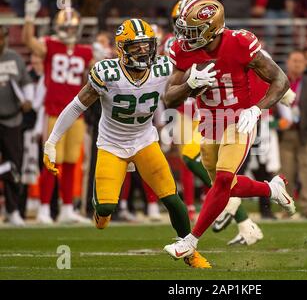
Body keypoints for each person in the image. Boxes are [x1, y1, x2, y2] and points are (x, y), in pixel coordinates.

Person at [42, 18, 210, 269]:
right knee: (106, 212)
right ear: (122, 49)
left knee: (172, 198)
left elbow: (178, 94)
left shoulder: (163, 67)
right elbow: (77, 105)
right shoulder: (107, 73)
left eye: (147, 45)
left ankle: (189, 252)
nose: (144, 51)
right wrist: (52, 141)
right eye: (136, 46)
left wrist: (192, 84)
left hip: (144, 141)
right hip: (111, 145)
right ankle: (100, 209)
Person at [163, 0, 296, 259]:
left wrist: (257, 108)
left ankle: (190, 240)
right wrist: (190, 84)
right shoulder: (183, 50)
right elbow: (168, 97)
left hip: (239, 120)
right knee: (226, 187)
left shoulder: (240, 42)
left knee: (223, 180)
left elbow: (281, 80)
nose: (186, 38)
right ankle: (272, 189)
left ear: (212, 28)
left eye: (193, 31)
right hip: (209, 123)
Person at [23, 0, 93, 224]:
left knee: (72, 162)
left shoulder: (85, 51)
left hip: (77, 114)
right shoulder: (50, 45)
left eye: (73, 28)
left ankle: (66, 208)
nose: (70, 32)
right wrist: (30, 18)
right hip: (54, 112)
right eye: (67, 27)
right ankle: (44, 208)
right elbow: (29, 42)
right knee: (52, 160)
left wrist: (102, 58)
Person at [278, 50, 307, 218]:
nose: (297, 64)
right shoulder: (280, 82)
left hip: (305, 134)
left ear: (305, 64)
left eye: (300, 61)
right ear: (287, 62)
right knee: (285, 173)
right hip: (285, 134)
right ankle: (286, 208)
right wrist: (276, 124)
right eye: (294, 60)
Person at [0, 25, 34, 226]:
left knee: (14, 167)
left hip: (12, 119)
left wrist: (28, 99)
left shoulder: (15, 58)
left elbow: (26, 82)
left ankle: (13, 210)